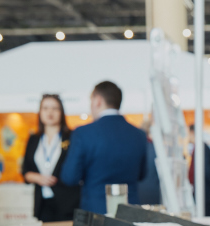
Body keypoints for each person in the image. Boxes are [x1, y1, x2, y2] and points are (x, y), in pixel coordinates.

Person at [60, 81, 146, 214]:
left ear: (98, 100)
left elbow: (70, 177)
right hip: (131, 212)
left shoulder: (83, 133)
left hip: (96, 213)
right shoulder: (138, 134)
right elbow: (142, 175)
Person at [21, 94, 80, 221]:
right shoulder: (34, 139)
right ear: (40, 112)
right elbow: (25, 171)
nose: (50, 112)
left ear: (61, 112)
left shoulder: (72, 137)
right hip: (42, 203)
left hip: (68, 202)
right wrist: (37, 178)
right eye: (45, 108)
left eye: (55, 108)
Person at [187, 124, 210, 216]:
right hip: (200, 193)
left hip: (204, 194)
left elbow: (207, 173)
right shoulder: (198, 148)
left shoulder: (202, 149)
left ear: (192, 132)